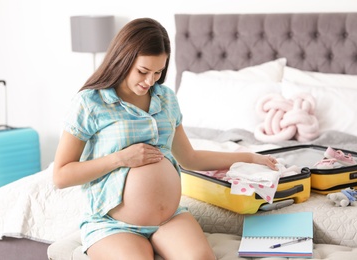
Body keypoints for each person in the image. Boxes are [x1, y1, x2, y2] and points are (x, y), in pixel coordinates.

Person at [53, 17, 278, 260]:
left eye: (158, 72)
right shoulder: (90, 102)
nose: (150, 81)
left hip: (169, 219)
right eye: (143, 71)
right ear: (123, 59)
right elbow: (61, 176)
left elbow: (189, 158)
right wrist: (119, 159)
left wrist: (248, 157)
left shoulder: (166, 98)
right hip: (112, 224)